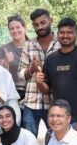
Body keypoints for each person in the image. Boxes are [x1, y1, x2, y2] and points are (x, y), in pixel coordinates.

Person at [40, 17, 77, 142]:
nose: (65, 35)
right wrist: (39, 82)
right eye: (62, 32)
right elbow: (46, 89)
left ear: (76, 34)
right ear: (57, 34)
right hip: (58, 119)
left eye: (70, 32)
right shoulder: (51, 59)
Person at [18, 9, 61, 137]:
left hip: (54, 102)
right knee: (28, 142)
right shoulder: (29, 44)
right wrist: (31, 69)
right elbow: (21, 74)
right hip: (31, 103)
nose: (40, 27)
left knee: (56, 140)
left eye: (43, 22)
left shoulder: (61, 43)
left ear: (51, 20)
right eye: (36, 25)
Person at [0, 15, 28, 101]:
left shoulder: (33, 46)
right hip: (12, 91)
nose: (15, 31)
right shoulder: (4, 49)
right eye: (12, 28)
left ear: (24, 28)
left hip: (31, 91)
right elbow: (1, 76)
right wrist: (6, 62)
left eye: (18, 27)